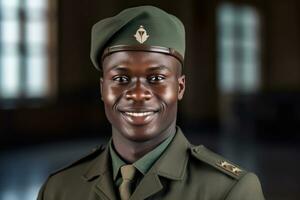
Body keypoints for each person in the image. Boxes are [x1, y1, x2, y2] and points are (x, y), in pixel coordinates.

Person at [37, 5, 265, 200]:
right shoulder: (59, 189)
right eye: (121, 79)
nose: (137, 94)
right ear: (102, 89)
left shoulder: (229, 191)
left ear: (180, 87)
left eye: (156, 78)